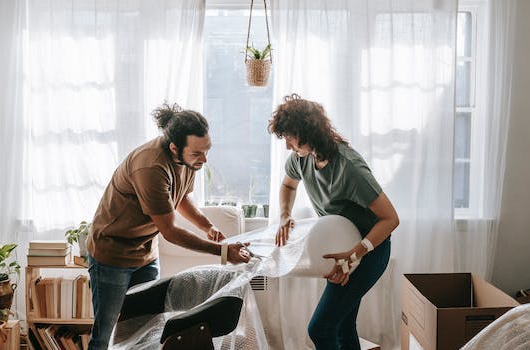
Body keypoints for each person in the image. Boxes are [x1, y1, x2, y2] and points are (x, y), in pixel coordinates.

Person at [86, 103, 250, 349]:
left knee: (147, 330)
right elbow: (170, 231)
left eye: (207, 151)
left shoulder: (189, 159)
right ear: (174, 147)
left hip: (145, 254)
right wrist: (224, 252)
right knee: (107, 333)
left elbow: (181, 197)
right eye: (197, 153)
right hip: (112, 255)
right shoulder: (151, 166)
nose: (204, 159)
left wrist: (207, 226)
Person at [268, 94, 399, 349]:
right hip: (342, 248)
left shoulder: (349, 168)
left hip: (370, 249)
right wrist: (285, 214)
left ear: (306, 132)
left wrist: (354, 255)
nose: (287, 146)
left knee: (321, 328)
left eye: (289, 138)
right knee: (342, 324)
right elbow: (287, 185)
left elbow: (391, 219)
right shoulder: (301, 158)